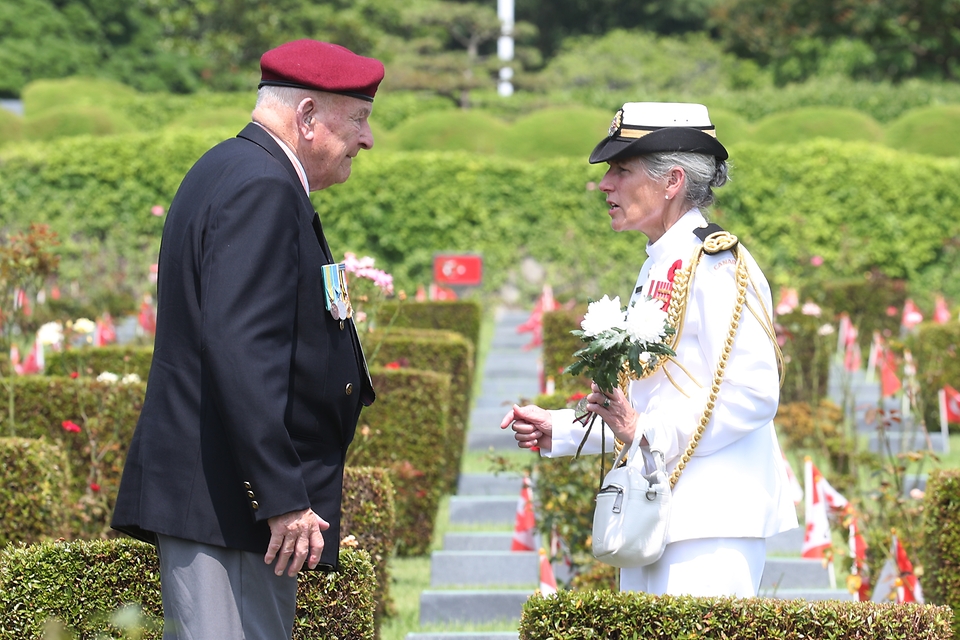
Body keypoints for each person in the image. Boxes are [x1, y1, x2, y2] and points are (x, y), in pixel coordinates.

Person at [111, 39, 381, 640]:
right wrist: (282, 496)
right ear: (307, 116)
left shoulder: (235, 167)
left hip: (228, 500)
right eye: (359, 118)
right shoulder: (262, 185)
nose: (367, 139)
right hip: (227, 504)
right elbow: (241, 352)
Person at [501, 102, 798, 598]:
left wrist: (646, 431)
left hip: (712, 519)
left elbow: (754, 393)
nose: (605, 185)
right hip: (653, 510)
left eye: (621, 170)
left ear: (672, 181)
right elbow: (645, 407)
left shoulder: (717, 263)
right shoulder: (660, 262)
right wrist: (561, 428)